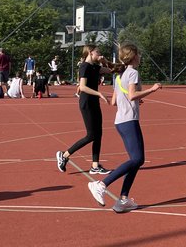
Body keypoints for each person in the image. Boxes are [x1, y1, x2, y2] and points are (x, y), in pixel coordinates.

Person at [88, 43, 162, 212]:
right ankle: (101, 184)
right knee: (137, 159)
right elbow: (132, 95)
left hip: (121, 121)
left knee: (136, 160)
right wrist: (152, 89)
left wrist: (134, 99)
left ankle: (123, 199)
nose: (140, 57)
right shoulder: (133, 73)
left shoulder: (119, 75)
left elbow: (115, 101)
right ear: (134, 57)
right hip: (129, 120)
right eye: (139, 54)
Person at [56, 45, 112, 175]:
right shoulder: (84, 66)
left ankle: (95, 166)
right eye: (97, 52)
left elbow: (111, 70)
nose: (100, 53)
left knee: (98, 134)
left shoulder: (96, 67)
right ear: (90, 52)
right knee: (91, 135)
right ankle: (64, 155)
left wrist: (105, 61)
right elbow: (82, 87)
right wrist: (99, 94)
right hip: (87, 103)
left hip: (94, 102)